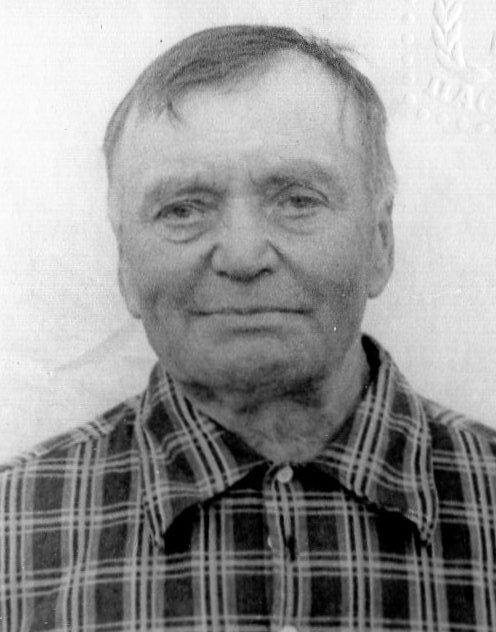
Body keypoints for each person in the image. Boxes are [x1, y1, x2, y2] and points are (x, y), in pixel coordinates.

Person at [1, 24, 495, 632]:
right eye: (183, 208)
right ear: (124, 264)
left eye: (297, 200)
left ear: (381, 243)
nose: (242, 256)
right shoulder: (11, 528)